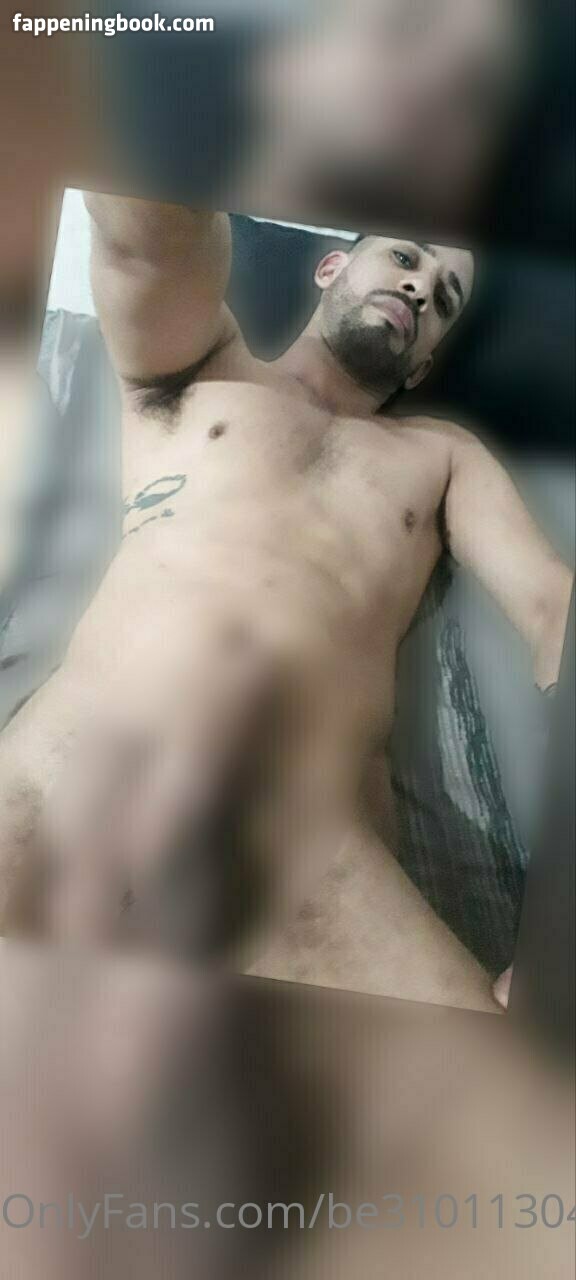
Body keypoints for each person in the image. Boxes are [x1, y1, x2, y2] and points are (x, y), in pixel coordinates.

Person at [0, 199, 571, 1011]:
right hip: (70, 768)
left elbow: (553, 607)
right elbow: (145, 242)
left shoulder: (442, 456)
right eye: (405, 257)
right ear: (331, 266)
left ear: (423, 366)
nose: (421, 287)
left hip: (299, 851)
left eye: (445, 298)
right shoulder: (203, 364)